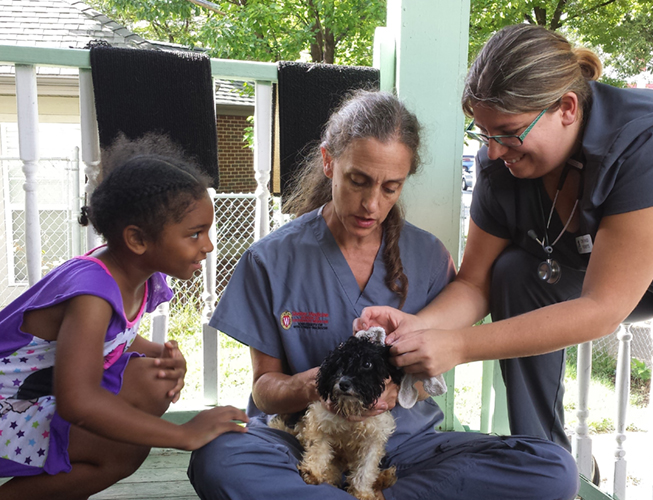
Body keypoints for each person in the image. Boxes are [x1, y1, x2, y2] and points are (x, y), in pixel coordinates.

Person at [355, 24, 653, 500]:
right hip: (615, 278)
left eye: (508, 133)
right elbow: (476, 282)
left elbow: (603, 309)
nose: (494, 151)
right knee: (514, 273)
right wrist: (415, 332)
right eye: (485, 133)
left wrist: (460, 345)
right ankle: (545, 471)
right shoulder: (502, 165)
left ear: (567, 107)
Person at [188, 89, 579, 500]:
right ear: (328, 162)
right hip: (304, 446)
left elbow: (429, 382)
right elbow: (264, 390)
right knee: (217, 456)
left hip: (404, 450)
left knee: (551, 469)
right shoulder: (270, 259)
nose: (371, 204)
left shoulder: (427, 257)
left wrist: (399, 390)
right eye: (358, 181)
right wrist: (315, 386)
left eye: (391, 188)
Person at [0, 134, 248, 500]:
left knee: (153, 379)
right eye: (195, 234)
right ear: (137, 239)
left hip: (35, 397)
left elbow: (110, 338)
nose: (208, 246)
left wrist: (157, 352)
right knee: (122, 449)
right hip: (8, 410)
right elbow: (77, 401)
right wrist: (184, 434)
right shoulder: (91, 293)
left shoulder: (133, 275)